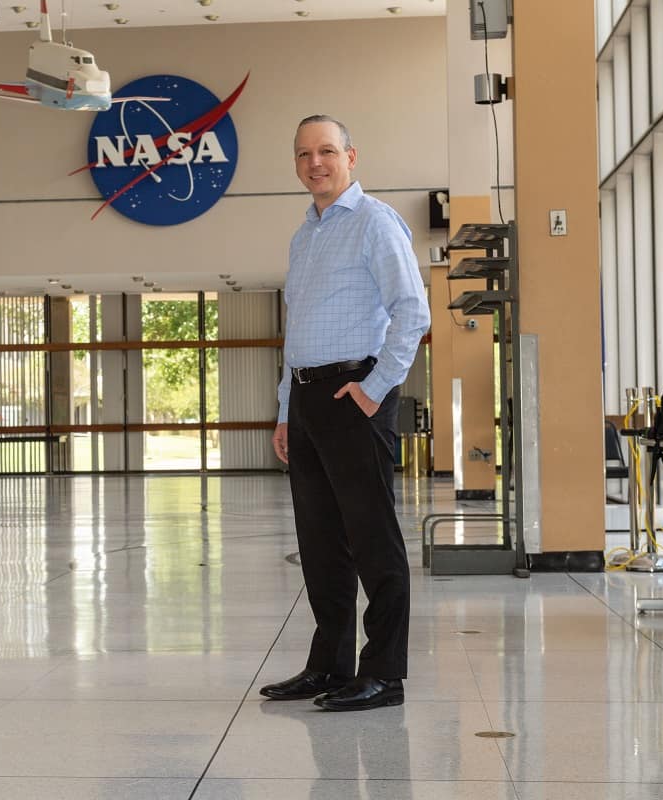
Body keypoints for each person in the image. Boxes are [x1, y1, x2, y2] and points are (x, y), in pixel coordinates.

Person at [260, 116, 430, 712]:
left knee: (372, 538)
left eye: (327, 151)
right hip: (307, 401)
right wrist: (285, 412)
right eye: (304, 153)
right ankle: (329, 664)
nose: (315, 163)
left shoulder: (376, 223)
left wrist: (374, 388)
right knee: (320, 543)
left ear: (351, 157)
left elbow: (412, 312)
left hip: (353, 396)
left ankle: (383, 672)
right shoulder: (304, 236)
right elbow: (296, 333)